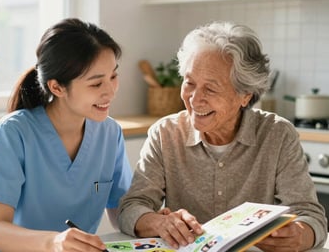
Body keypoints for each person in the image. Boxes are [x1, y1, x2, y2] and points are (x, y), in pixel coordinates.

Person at [118, 21, 327, 252]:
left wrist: (300, 234)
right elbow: (131, 208)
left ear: (245, 96)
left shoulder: (278, 135)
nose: (195, 100)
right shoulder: (165, 134)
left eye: (211, 89)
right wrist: (159, 222)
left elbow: (311, 215)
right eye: (189, 83)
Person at [0, 18, 133, 252]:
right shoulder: (13, 133)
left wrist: (153, 222)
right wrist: (52, 242)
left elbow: (121, 211)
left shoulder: (110, 133)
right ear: (57, 87)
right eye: (96, 84)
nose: (110, 91)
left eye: (113, 77)